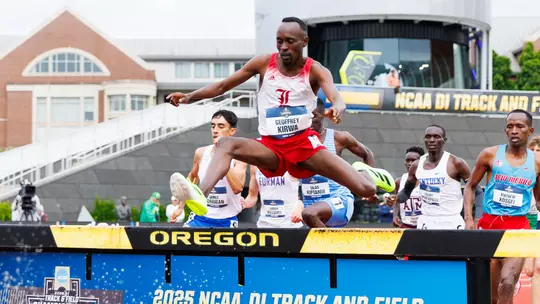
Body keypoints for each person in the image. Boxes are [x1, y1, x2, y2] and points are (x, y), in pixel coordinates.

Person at [168, 17, 394, 211]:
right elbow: (222, 86)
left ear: (304, 42)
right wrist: (189, 97)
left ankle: (365, 173)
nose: (283, 46)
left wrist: (337, 106)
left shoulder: (315, 70)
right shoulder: (263, 64)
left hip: (304, 145)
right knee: (225, 144)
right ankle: (200, 194)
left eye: (290, 41)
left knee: (366, 189)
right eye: (279, 41)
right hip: (271, 146)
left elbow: (336, 96)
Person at [463, 109, 540, 304]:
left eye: (519, 127)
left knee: (507, 283)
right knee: (492, 294)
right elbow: (470, 186)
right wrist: (469, 219)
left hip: (519, 229)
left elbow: (538, 200)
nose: (514, 130)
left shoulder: (537, 162)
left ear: (529, 130)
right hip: (489, 226)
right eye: (509, 126)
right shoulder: (489, 155)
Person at [300, 99, 376, 228]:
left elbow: (367, 153)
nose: (310, 121)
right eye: (306, 117)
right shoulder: (297, 142)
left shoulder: (338, 138)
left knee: (309, 214)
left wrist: (369, 185)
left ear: (323, 114)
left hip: (339, 200)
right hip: (312, 202)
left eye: (314, 116)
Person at [396, 125, 481, 229]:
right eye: (428, 137)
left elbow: (478, 191)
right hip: (426, 221)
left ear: (444, 140)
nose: (432, 140)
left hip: (451, 221)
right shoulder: (416, 166)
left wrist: (475, 218)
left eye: (436, 137)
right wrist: (395, 199)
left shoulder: (456, 163)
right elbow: (406, 192)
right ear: (424, 140)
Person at [180, 110, 247, 228]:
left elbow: (237, 188)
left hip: (226, 221)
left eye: (221, 126)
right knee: (179, 245)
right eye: (213, 126)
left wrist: (222, 155)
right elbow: (192, 178)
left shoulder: (240, 157)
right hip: (199, 218)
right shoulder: (201, 153)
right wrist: (180, 206)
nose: (215, 130)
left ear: (232, 131)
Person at [385, 146, 425, 228]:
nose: (410, 163)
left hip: (424, 226)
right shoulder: (399, 181)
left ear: (421, 162)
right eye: (407, 160)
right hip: (406, 225)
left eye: (413, 160)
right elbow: (396, 200)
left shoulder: (428, 180)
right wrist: (395, 215)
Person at [525, 136, 540, 304]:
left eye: (539, 151)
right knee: (529, 270)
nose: (535, 153)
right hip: (529, 222)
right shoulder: (523, 173)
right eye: (533, 150)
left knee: (537, 269)